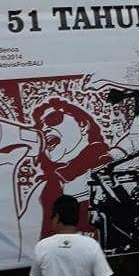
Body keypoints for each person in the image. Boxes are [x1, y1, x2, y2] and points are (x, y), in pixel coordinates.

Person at [33, 99, 114, 239]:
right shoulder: (50, 186)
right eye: (40, 127)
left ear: (83, 125)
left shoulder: (112, 164)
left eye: (53, 119)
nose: (44, 129)